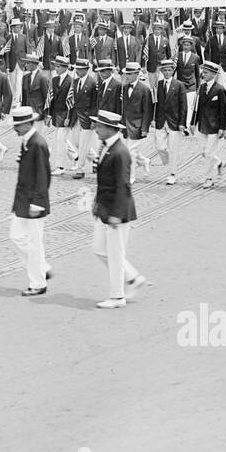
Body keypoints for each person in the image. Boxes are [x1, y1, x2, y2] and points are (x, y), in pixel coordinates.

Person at [90, 109, 147, 308]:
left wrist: (116, 214)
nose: (96, 129)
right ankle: (132, 278)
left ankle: (117, 296)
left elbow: (123, 186)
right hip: (105, 208)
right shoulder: (105, 146)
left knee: (115, 254)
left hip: (117, 212)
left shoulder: (121, 152)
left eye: (99, 126)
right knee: (99, 249)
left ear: (110, 129)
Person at [9, 105, 52, 296]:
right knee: (17, 237)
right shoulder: (28, 141)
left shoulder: (37, 144)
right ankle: (41, 268)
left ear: (28, 124)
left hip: (33, 202)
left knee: (34, 243)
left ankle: (38, 283)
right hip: (24, 200)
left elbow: (44, 176)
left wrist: (38, 202)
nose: (14, 128)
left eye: (18, 125)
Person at [152, 58, 188, 185]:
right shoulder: (159, 84)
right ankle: (168, 162)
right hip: (161, 120)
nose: (167, 72)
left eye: (169, 70)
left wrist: (182, 123)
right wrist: (153, 118)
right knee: (160, 147)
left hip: (175, 122)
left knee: (173, 149)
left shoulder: (179, 85)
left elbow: (184, 106)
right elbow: (155, 103)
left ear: (173, 71)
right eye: (165, 70)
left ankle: (172, 173)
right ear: (162, 71)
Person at [193, 60, 226, 188]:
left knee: (208, 153)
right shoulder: (202, 88)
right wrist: (193, 122)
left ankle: (209, 178)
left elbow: (224, 110)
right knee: (203, 151)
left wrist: (222, 127)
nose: (204, 74)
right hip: (202, 125)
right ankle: (219, 162)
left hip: (214, 127)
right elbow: (197, 106)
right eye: (203, 72)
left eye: (206, 73)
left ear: (214, 74)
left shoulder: (220, 90)